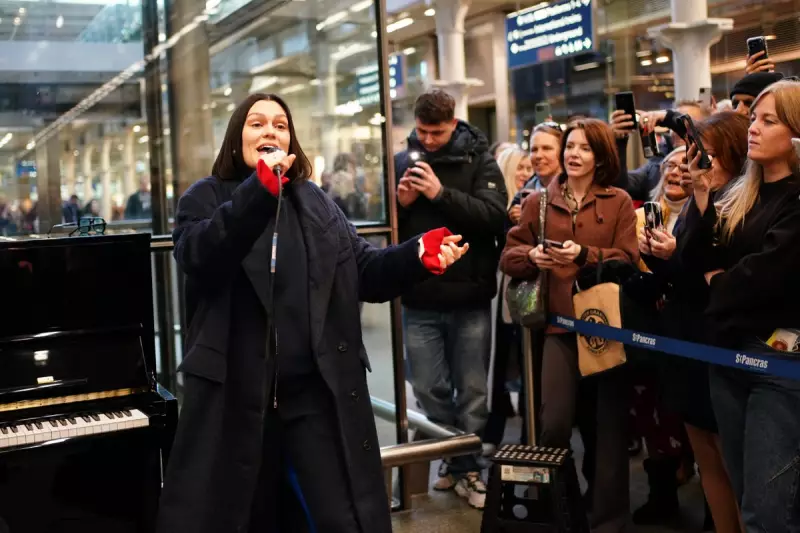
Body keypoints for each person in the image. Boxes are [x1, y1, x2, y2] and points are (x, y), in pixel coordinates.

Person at [155, 93, 469, 533]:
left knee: (338, 517)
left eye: (280, 125)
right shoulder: (205, 199)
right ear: (235, 138)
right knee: (238, 516)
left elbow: (363, 270)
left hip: (314, 394)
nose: (270, 131)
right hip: (238, 398)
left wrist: (415, 256)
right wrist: (258, 192)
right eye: (257, 123)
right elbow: (200, 255)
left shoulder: (315, 201)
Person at [501, 118, 638, 533]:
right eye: (570, 147)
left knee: (608, 429)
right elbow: (509, 256)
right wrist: (533, 258)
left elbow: (628, 260)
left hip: (604, 328)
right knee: (554, 422)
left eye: (584, 148)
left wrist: (585, 256)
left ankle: (609, 519)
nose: (573, 155)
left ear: (600, 156)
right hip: (557, 328)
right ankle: (563, 507)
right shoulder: (539, 202)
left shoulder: (618, 202)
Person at [682, 79, 800, 532]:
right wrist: (701, 197)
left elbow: (766, 276)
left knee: (767, 512)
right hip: (728, 356)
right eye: (753, 118)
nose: (753, 127)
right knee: (746, 493)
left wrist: (722, 281)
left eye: (768, 120)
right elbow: (694, 262)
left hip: (779, 364)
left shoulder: (795, 200)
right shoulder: (738, 195)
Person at [395, 89, 507, 509]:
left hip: (469, 297)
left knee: (473, 391)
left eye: (436, 132)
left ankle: (469, 469)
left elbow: (494, 216)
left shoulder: (480, 159)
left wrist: (440, 194)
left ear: (454, 122)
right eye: (421, 131)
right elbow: (389, 232)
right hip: (419, 298)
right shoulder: (403, 159)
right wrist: (400, 204)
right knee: (428, 389)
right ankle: (451, 461)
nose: (427, 139)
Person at [510, 122, 563, 209]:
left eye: (546, 148)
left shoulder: (577, 192)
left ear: (562, 152)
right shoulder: (521, 196)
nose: (538, 155)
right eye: (534, 150)